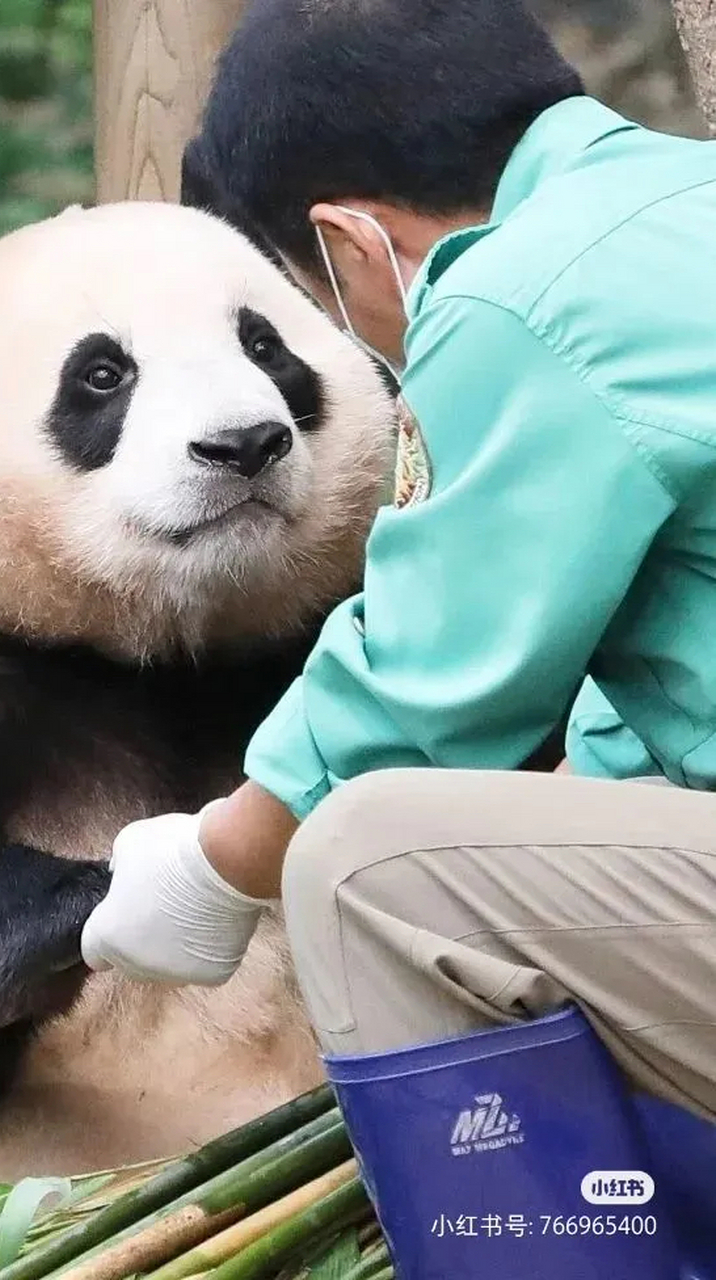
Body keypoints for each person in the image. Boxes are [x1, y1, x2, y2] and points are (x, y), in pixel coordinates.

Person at [81, 0, 716, 1123]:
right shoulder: (680, 201)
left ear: (348, 242)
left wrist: (216, 862)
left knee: (370, 861)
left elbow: (426, 687)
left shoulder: (515, 292)